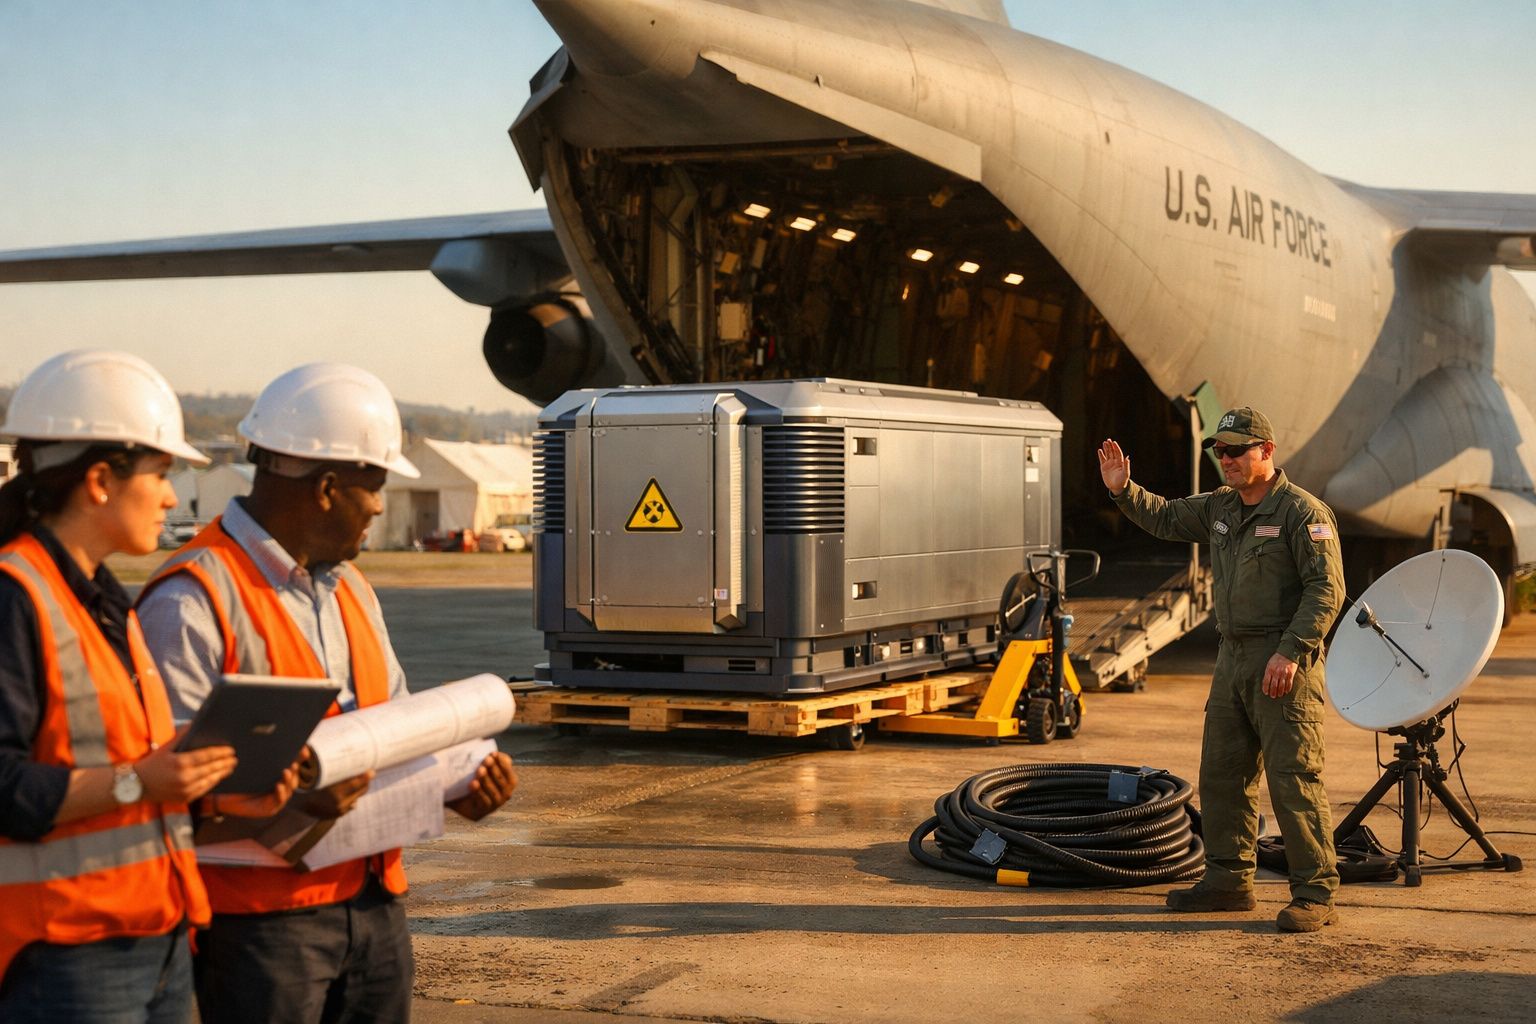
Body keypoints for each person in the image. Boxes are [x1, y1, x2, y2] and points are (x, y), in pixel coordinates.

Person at [136, 362, 518, 1023]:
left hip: (373, 908)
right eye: (373, 488)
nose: (378, 506)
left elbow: (396, 728)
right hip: (261, 928)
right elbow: (164, 799)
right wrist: (297, 806)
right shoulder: (190, 601)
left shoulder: (354, 592)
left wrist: (459, 783)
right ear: (327, 487)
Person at [0, 350, 237, 1020]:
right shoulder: (14, 596)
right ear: (101, 480)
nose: (170, 496)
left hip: (156, 936)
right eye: (161, 474)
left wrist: (195, 768)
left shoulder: (106, 602)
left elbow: (117, 755)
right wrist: (142, 780)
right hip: (64, 954)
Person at [1097, 406, 1345, 933]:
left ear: (1266, 452)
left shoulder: (1305, 514)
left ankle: (1315, 893)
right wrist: (1123, 489)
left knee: (1293, 779)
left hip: (1282, 662)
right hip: (1232, 657)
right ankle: (1228, 881)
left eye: (1236, 450)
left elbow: (1328, 590)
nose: (1226, 459)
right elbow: (1164, 517)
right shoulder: (1221, 508)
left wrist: (1291, 651)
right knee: (1223, 775)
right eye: (1220, 451)